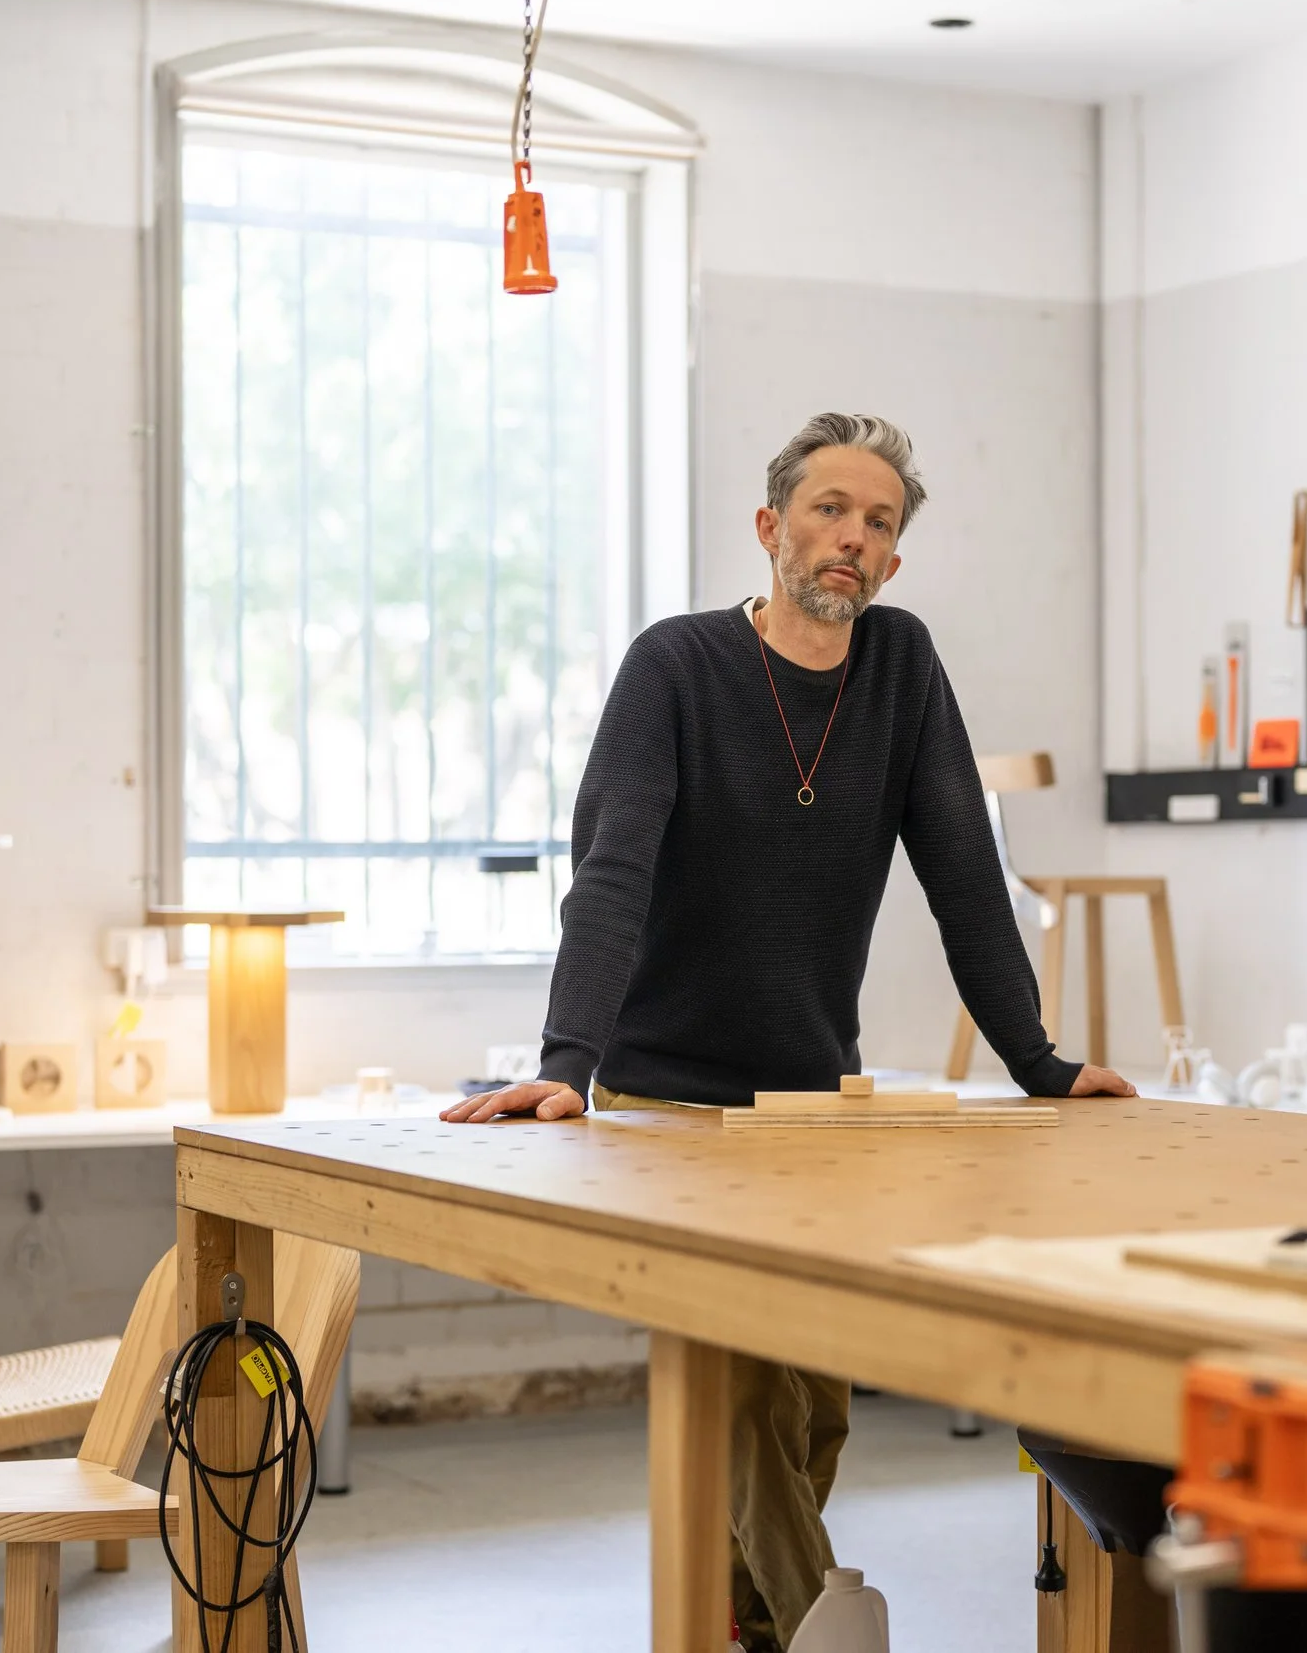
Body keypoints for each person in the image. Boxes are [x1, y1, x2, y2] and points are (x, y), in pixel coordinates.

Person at [440, 410, 1135, 1650]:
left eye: (878, 522)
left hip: (814, 1100)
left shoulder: (902, 668)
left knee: (818, 1407)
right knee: (751, 1386)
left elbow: (964, 873)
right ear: (770, 528)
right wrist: (566, 1067)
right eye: (829, 508)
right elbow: (613, 870)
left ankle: (739, 1621)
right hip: (666, 1102)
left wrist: (1037, 1060)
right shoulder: (676, 668)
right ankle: (827, 1618)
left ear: (894, 561)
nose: (851, 537)